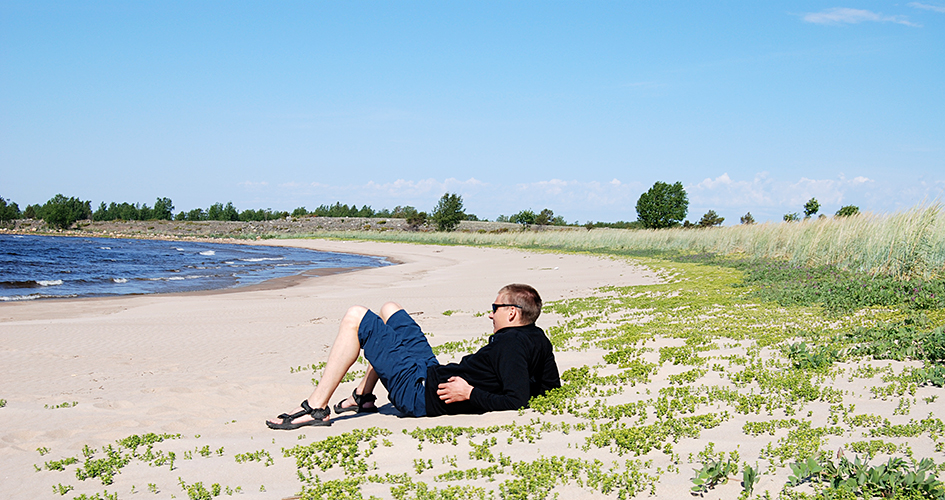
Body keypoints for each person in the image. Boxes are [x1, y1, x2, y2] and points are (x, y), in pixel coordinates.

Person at [267, 283, 560, 429]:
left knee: (356, 316)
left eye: (494, 307)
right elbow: (550, 388)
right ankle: (363, 397)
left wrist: (470, 393)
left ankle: (317, 407)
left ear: (511, 312)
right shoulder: (537, 338)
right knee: (390, 309)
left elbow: (516, 400)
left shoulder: (509, 346)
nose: (490, 313)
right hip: (429, 372)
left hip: (418, 393)